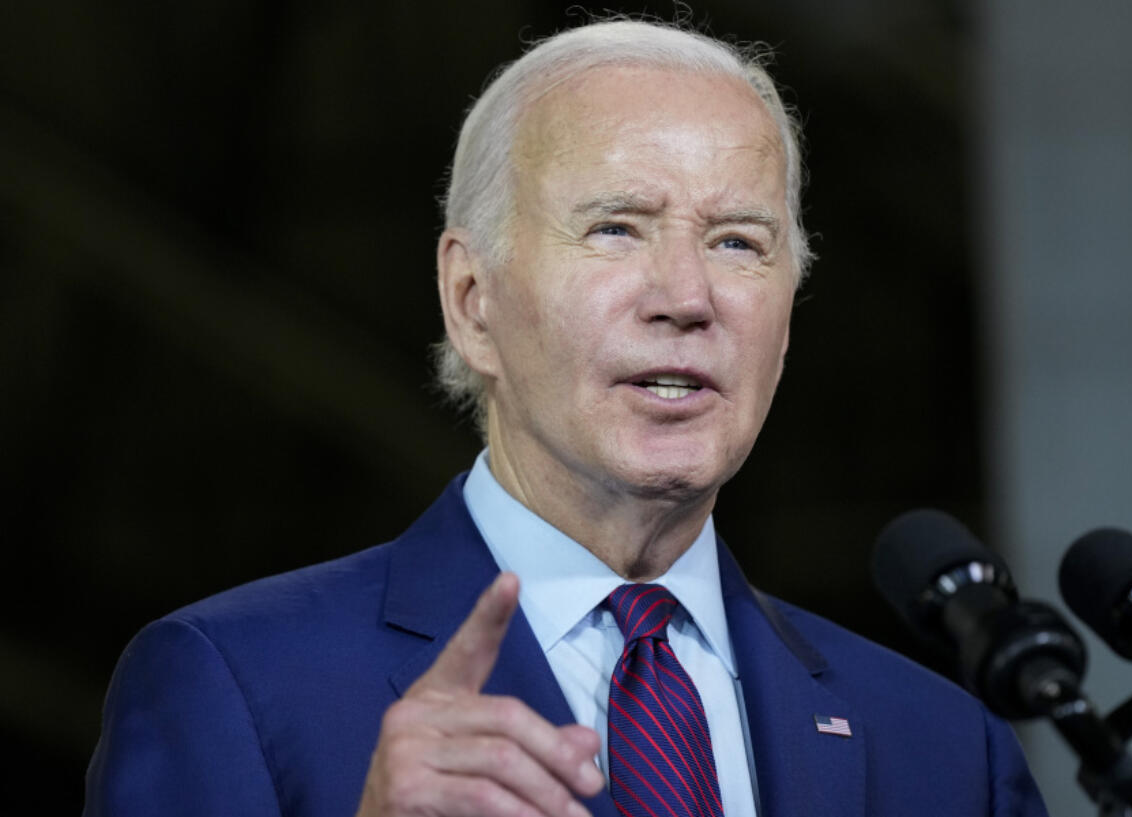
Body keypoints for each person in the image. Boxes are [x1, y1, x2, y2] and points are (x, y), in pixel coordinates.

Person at [83, 18, 1048, 817]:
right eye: (616, 228)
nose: (686, 295)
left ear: (786, 321)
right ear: (472, 302)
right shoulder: (235, 686)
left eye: (738, 242)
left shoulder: (944, 751)